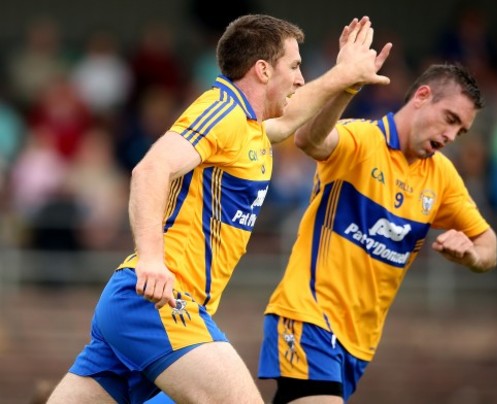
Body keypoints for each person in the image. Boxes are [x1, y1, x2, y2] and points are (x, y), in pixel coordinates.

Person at [47, 14, 391, 404]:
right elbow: (150, 169)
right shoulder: (222, 108)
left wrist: (344, 76)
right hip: (158, 301)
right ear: (262, 70)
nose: (300, 78)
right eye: (294, 67)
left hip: (143, 308)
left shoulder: (251, 127)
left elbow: (295, 114)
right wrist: (152, 259)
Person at [257, 63, 497, 403]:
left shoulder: (442, 177)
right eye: (450, 119)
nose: (450, 136)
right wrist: (347, 84)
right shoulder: (362, 138)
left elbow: (489, 245)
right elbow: (308, 139)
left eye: (460, 131)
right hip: (309, 317)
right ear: (422, 96)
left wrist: (473, 255)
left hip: (360, 344)